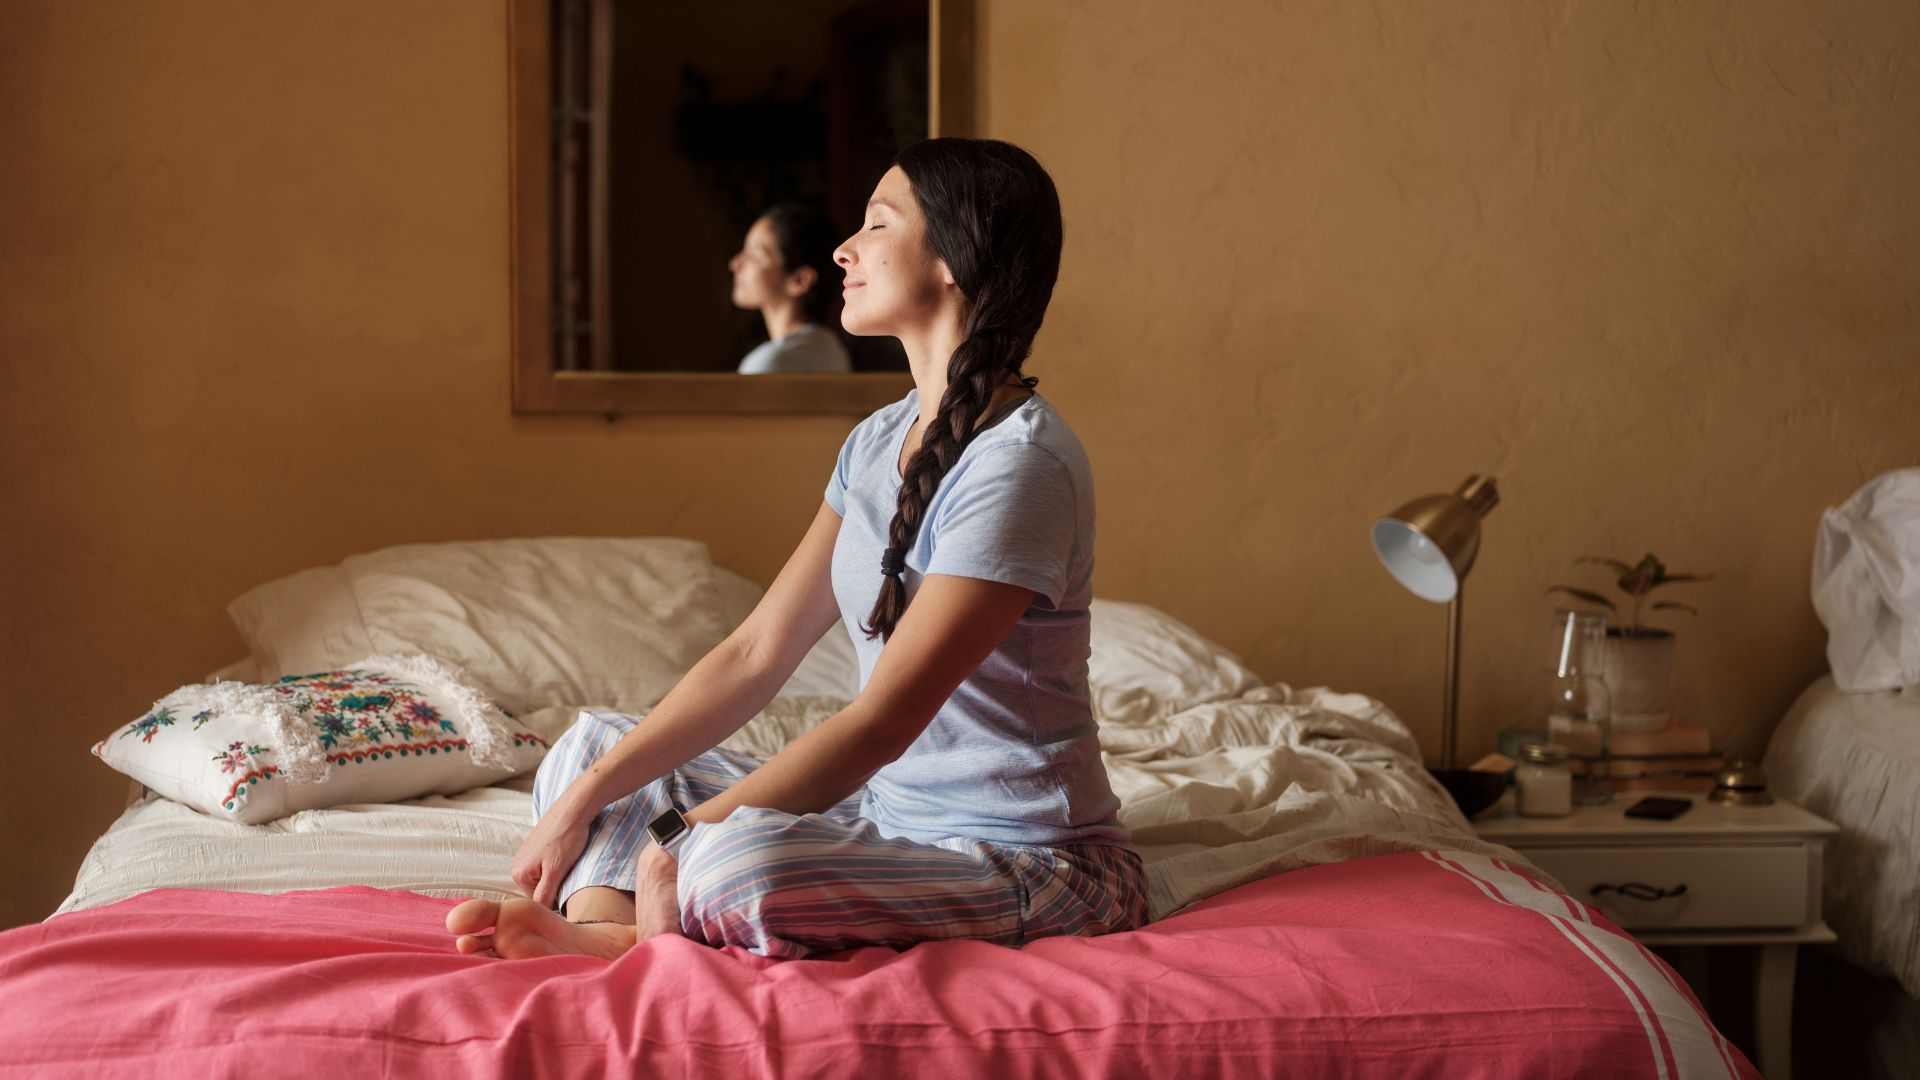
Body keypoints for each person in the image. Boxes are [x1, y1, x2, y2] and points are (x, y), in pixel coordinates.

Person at [446, 138, 1143, 960]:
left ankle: (623, 926)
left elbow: (880, 723)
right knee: (597, 749)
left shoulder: (1021, 465)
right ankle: (612, 930)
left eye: (877, 224)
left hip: (1030, 860)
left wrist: (670, 839)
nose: (844, 248)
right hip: (884, 817)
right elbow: (754, 651)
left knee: (738, 863)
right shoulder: (879, 440)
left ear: (956, 258)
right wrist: (581, 805)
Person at [730, 203, 853, 374]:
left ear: (799, 280)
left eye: (755, 256)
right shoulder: (834, 351)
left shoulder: (768, 363)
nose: (735, 264)